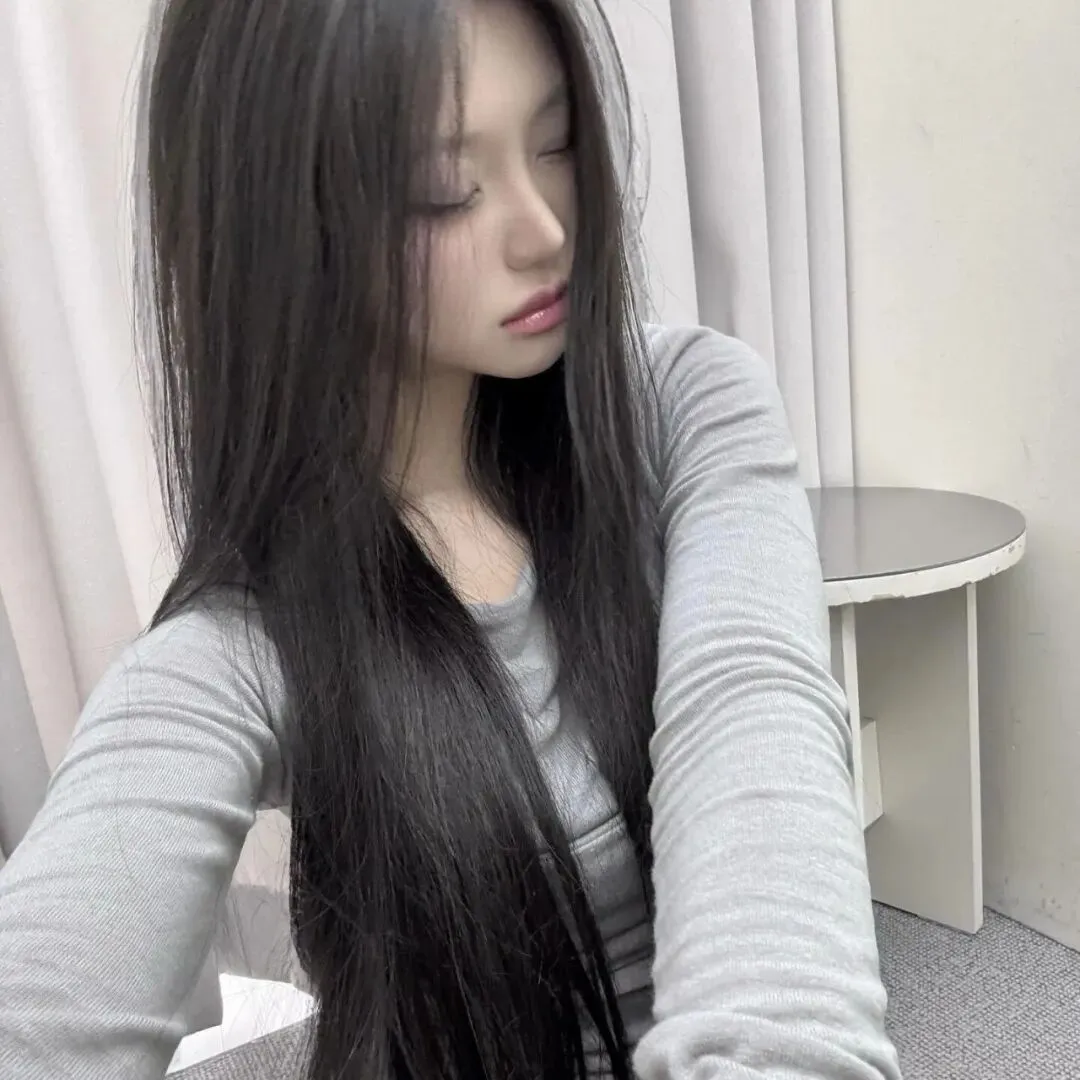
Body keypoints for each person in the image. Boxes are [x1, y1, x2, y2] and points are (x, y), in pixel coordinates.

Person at [0, 1, 902, 1077]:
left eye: (556, 142)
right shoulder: (238, 649)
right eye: (443, 189)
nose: (545, 229)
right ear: (284, 222)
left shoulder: (684, 406)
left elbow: (755, 708)